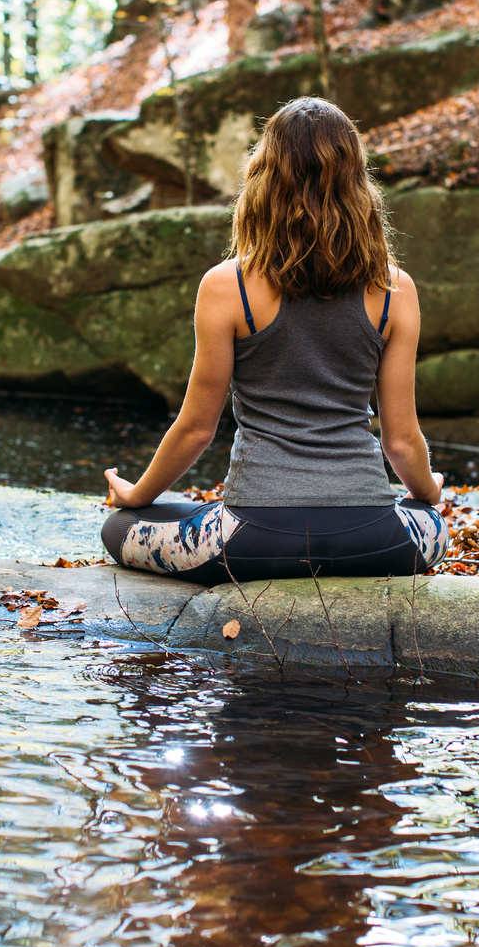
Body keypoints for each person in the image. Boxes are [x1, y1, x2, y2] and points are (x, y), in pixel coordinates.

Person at [101, 96, 447, 585]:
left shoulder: (227, 285)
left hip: (253, 540)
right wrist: (428, 492)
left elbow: (197, 429)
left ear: (264, 178)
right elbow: (400, 440)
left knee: (120, 528)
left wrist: (137, 496)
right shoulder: (394, 289)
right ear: (356, 182)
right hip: (373, 539)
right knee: (431, 525)